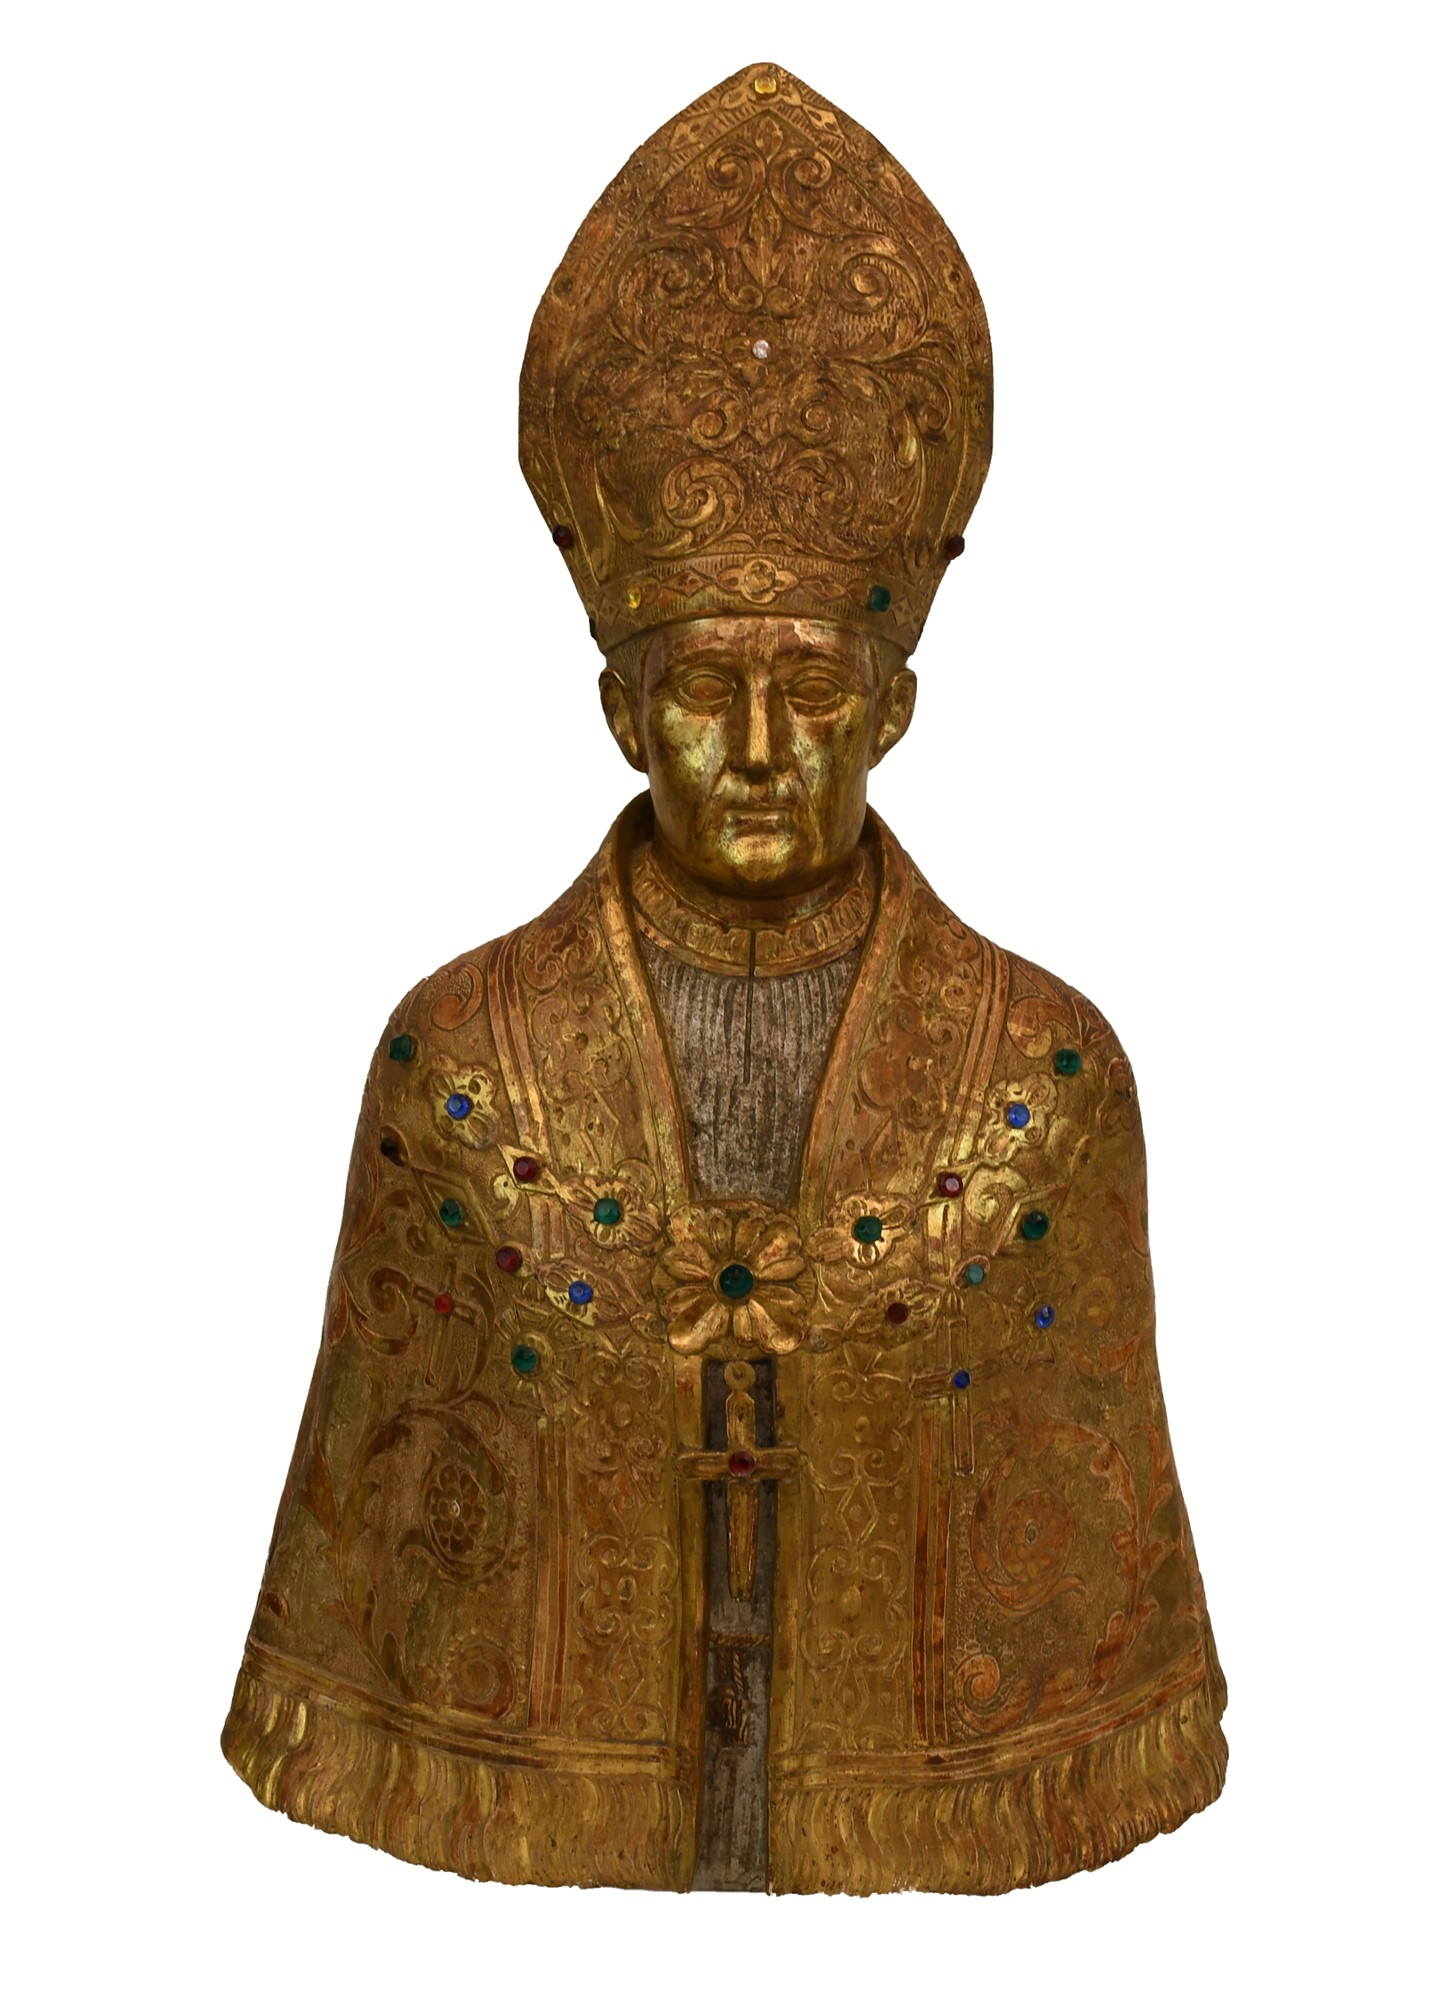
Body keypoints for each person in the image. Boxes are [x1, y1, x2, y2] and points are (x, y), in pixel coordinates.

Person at [223, 60, 1226, 1894]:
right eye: (703, 685)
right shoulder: (466, 1073)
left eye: (815, 688)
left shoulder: (1039, 1086)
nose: (762, 747)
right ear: (623, 712)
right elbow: (392, 1575)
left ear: (895, 710)